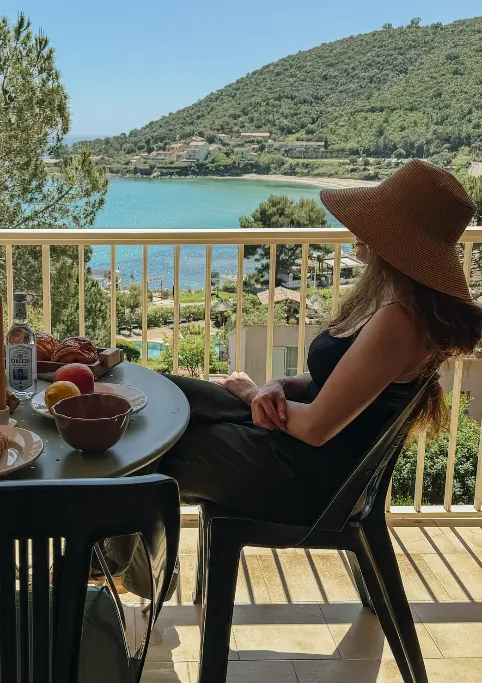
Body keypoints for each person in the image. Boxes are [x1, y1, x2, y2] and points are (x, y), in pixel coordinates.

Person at [107, 160, 482, 598]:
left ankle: (123, 573)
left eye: (372, 223)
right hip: (296, 450)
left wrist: (252, 393)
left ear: (397, 242)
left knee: (152, 449)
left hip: (303, 477)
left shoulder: (400, 322)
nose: (356, 229)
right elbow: (340, 380)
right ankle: (131, 569)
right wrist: (278, 386)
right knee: (162, 395)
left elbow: (317, 427)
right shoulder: (398, 305)